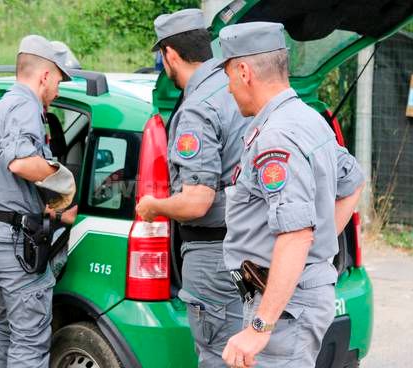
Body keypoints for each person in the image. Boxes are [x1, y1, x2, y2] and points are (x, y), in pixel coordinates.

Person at [217, 22, 365, 367]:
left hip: (285, 308)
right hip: (288, 298)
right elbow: (353, 182)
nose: (228, 88)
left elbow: (296, 234)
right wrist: (313, 249)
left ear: (244, 71)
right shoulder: (307, 119)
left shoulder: (277, 136)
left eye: (228, 77)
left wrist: (259, 325)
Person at [135, 8, 248, 368]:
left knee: (218, 357)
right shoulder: (240, 90)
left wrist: (154, 205)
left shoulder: (197, 109)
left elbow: (198, 201)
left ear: (169, 55)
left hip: (214, 255)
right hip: (256, 248)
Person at [0, 34, 78, 368]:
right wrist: (64, 182)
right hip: (14, 246)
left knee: (4, 330)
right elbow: (20, 161)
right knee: (29, 342)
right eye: (58, 80)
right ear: (44, 76)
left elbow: (3, 178)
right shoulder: (25, 105)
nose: (58, 89)